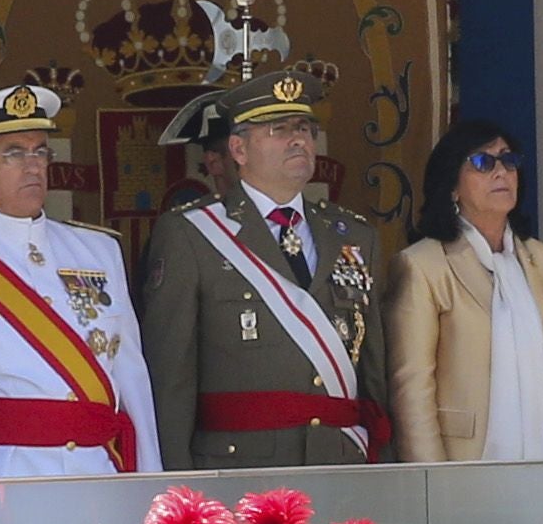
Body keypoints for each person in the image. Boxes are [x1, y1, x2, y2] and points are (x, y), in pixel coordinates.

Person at [147, 58, 390, 468]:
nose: (298, 140)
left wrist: (386, 465)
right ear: (238, 149)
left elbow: (374, 372)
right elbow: (171, 382)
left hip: (341, 462)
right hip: (240, 469)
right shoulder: (191, 234)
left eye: (304, 129)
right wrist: (177, 493)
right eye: (279, 129)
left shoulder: (354, 235)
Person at [0, 82, 161, 477]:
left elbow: (132, 376)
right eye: (13, 153)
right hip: (5, 478)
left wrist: (149, 484)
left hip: (98, 473)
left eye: (40, 151)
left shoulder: (98, 251)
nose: (33, 166)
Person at [388, 116, 543, 462]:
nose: (501, 172)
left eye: (509, 160)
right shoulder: (423, 265)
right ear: (452, 185)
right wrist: (433, 489)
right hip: (463, 468)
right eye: (483, 162)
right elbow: (413, 392)